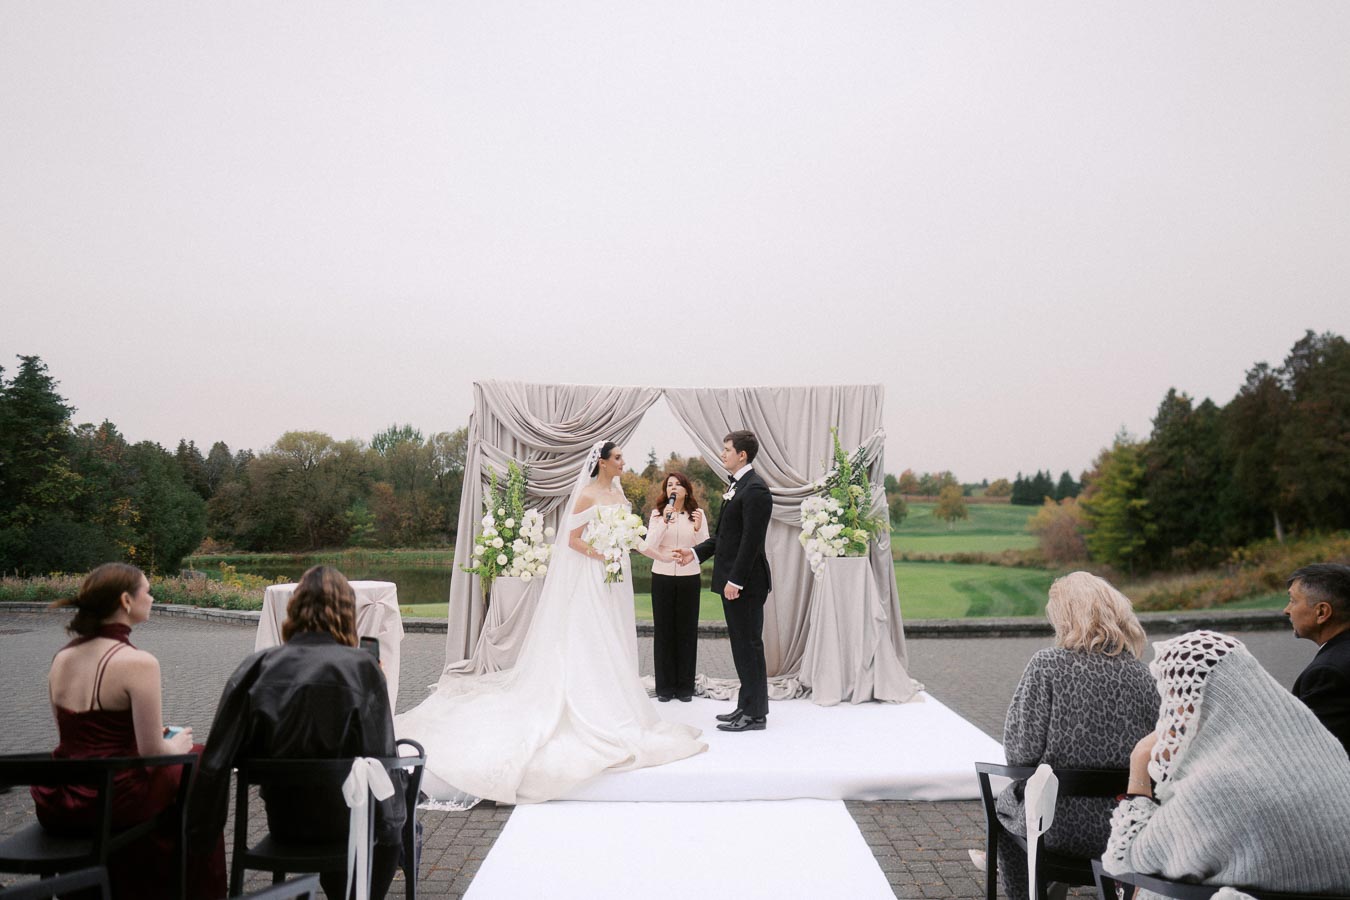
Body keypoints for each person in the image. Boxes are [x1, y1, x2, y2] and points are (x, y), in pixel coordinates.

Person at [394, 440, 706, 807]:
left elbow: (635, 539)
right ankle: (587, 700)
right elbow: (571, 540)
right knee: (590, 638)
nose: (624, 462)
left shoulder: (620, 498)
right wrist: (601, 553)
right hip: (593, 575)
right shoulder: (587, 496)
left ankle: (613, 696)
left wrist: (664, 552)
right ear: (603, 462)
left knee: (614, 637)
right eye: (618, 457)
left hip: (616, 578)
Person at [188, 566, 406, 900]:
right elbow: (381, 758)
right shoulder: (362, 669)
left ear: (293, 609)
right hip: (347, 825)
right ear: (349, 614)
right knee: (397, 816)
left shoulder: (255, 667)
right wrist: (392, 832)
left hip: (284, 821)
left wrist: (200, 841)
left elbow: (216, 762)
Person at [1104, 630, 1350, 896]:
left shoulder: (1215, 786)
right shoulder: (1321, 748)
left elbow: (1131, 858)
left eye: (1173, 699)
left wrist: (1140, 758)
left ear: (1191, 704)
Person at [34, 563, 226, 900]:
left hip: (61, 800)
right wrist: (178, 742)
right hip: (113, 797)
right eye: (147, 591)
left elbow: (77, 735)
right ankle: (186, 887)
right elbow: (152, 751)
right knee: (200, 760)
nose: (152, 597)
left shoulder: (61, 658)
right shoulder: (138, 663)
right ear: (125, 600)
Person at [993, 572, 1157, 900]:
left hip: (1056, 829)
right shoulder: (1143, 675)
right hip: (1127, 829)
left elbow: (1020, 752)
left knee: (1008, 806)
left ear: (1065, 617)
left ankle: (1028, 891)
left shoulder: (1047, 666)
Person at [676, 430, 773, 733]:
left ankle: (755, 715)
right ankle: (746, 706)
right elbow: (724, 537)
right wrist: (694, 552)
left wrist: (737, 581)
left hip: (745, 585)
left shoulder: (755, 489)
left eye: (727, 449)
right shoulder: (737, 487)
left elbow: (751, 542)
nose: (723, 453)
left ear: (742, 455)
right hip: (734, 582)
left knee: (750, 647)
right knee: (741, 647)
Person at [642, 471, 709, 702]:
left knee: (687, 631)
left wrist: (699, 528)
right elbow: (649, 544)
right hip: (662, 575)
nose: (673, 488)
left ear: (686, 489)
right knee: (663, 631)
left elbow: (705, 547)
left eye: (678, 484)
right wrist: (664, 521)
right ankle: (665, 688)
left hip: (689, 576)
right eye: (669, 484)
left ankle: (684, 688)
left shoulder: (697, 514)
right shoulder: (657, 514)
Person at [1284, 563, 1350, 756]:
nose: (1286, 610)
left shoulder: (1328, 673)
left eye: (1293, 600)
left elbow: (1312, 753)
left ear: (1322, 612)